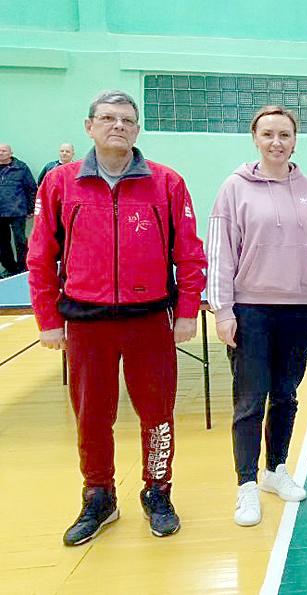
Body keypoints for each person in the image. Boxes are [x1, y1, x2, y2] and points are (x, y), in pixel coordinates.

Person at [28, 90, 207, 545]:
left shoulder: (167, 182)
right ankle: (99, 495)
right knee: (91, 416)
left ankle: (158, 491)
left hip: (149, 321)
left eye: (127, 120)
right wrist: (47, 319)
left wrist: (187, 310)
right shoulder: (59, 183)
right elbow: (40, 256)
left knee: (158, 415)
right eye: (108, 118)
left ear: (137, 129)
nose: (118, 126)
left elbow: (189, 253)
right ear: (89, 127)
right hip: (86, 324)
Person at [207, 105, 307, 527]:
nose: (276, 142)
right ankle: (246, 484)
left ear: (294, 141)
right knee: (250, 400)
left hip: (299, 310)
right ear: (255, 139)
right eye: (268, 134)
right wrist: (223, 309)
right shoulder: (234, 188)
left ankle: (275, 470)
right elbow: (220, 252)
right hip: (251, 310)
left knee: (286, 394)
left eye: (284, 134)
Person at [0, 143, 37, 276]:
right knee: (2, 243)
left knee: (20, 241)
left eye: (4, 151)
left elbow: (32, 189)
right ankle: (10, 269)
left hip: (18, 211)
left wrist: (31, 208)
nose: (0, 153)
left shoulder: (21, 168)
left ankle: (23, 268)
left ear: (11, 153)